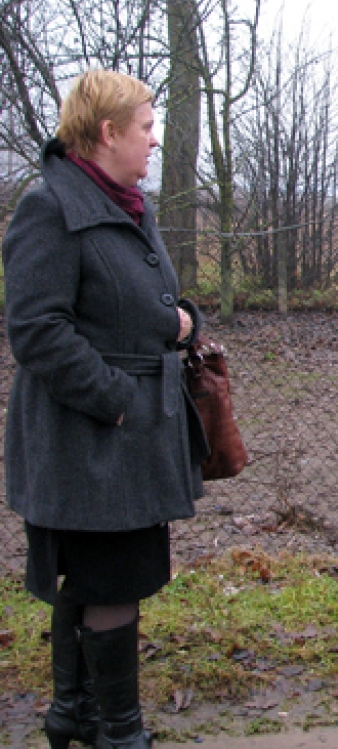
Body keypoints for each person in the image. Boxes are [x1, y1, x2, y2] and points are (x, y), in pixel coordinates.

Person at [3, 69, 208, 749]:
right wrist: (117, 399)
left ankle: (75, 716)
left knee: (94, 577)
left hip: (127, 438)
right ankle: (118, 734)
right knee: (110, 577)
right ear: (107, 133)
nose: (155, 141)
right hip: (86, 437)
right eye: (146, 127)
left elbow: (131, 302)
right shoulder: (52, 208)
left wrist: (180, 320)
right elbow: (36, 329)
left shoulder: (128, 206)